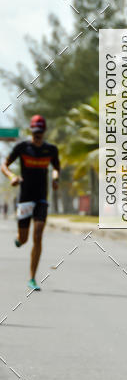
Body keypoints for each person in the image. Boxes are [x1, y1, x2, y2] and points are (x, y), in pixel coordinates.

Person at [1, 115, 60, 290]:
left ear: (44, 132)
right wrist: (12, 176)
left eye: (40, 133)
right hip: (25, 198)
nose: (37, 136)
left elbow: (56, 167)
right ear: (30, 131)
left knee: (38, 234)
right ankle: (19, 239)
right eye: (34, 132)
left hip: (41, 198)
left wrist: (55, 179)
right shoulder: (22, 148)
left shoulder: (51, 150)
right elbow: (4, 165)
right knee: (25, 239)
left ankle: (32, 278)